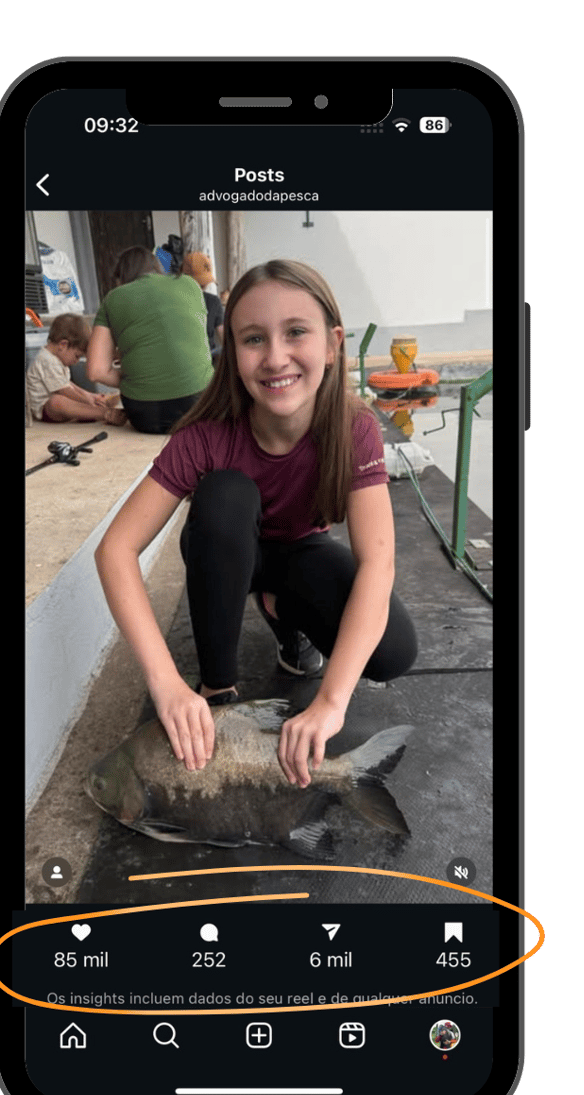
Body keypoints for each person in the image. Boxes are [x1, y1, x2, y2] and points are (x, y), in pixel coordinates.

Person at [94, 259, 417, 789]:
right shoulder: (205, 435)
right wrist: (166, 682)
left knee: (393, 651)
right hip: (223, 552)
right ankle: (217, 687)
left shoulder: (354, 427)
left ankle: (281, 612)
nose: (275, 357)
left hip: (298, 555)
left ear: (333, 344)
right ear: (230, 349)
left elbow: (378, 561)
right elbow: (115, 550)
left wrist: (330, 702)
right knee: (225, 494)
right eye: (253, 339)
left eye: (296, 332)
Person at [86, 245, 214, 435]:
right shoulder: (190, 285)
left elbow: (95, 372)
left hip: (145, 417)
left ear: (121, 277)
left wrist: (139, 378)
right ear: (156, 267)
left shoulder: (113, 298)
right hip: (200, 408)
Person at [25, 314, 126, 427]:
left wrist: (89, 395)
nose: (77, 361)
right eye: (77, 356)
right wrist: (86, 400)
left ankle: (92, 408)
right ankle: (104, 413)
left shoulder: (57, 359)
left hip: (63, 401)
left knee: (78, 398)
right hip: (45, 410)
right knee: (56, 401)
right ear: (63, 344)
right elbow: (64, 390)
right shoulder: (46, 360)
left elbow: (67, 384)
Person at [181, 251, 225, 361]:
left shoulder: (213, 301)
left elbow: (224, 337)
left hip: (209, 358)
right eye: (199, 283)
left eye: (204, 283)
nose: (203, 286)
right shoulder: (175, 302)